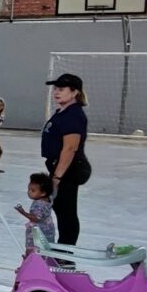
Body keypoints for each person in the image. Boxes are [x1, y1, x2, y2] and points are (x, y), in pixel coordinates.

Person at [41, 73, 92, 245]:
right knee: (60, 209)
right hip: (58, 167)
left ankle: (66, 254)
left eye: (61, 89)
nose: (56, 92)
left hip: (69, 169)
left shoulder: (74, 115)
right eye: (55, 89)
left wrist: (57, 177)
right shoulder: (62, 112)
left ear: (74, 92)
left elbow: (70, 148)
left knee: (66, 212)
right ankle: (62, 249)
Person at [15, 172, 57, 253]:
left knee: (32, 249)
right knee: (45, 249)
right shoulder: (49, 198)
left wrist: (23, 212)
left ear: (43, 193)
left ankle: (29, 263)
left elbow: (36, 218)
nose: (29, 192)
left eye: (33, 190)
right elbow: (54, 190)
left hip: (38, 232)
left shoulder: (38, 204)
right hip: (48, 229)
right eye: (29, 189)